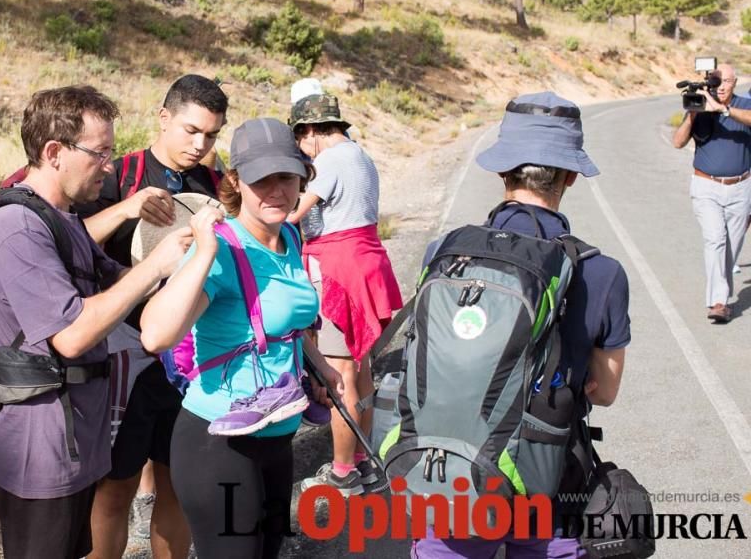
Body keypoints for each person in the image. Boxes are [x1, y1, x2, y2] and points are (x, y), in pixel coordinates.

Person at [0, 85, 192, 559]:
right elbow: (72, 334)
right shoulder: (17, 226)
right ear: (54, 152)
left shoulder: (63, 218)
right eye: (100, 154)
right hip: (40, 449)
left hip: (74, 441)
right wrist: (156, 267)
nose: (110, 167)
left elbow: (115, 281)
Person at [413, 92, 630, 557]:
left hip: (452, 472)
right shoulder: (601, 271)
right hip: (544, 479)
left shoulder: (444, 253)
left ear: (501, 170)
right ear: (570, 176)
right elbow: (606, 392)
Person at [140, 117, 344, 559]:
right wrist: (205, 249)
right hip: (218, 442)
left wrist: (321, 365)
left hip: (276, 432)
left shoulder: (289, 233)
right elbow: (155, 335)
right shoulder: (222, 249)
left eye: (286, 177)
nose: (276, 190)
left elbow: (283, 327)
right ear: (235, 180)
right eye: (261, 179)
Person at [78, 74, 228, 559]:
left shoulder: (213, 181)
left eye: (211, 135)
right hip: (125, 361)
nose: (200, 145)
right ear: (163, 118)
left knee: (178, 483)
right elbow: (68, 242)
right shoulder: (119, 173)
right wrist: (126, 207)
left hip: (192, 362)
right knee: (115, 487)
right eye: (190, 131)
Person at [285, 89, 402, 496]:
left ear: (312, 130)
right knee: (362, 368)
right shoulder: (360, 155)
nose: (302, 148)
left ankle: (341, 471)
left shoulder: (330, 160)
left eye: (300, 138)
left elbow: (292, 214)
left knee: (340, 376)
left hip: (338, 271)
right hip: (368, 263)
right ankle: (363, 460)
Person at [673, 63, 751, 323]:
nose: (721, 87)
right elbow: (678, 141)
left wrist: (725, 111)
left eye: (726, 82)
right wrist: (693, 114)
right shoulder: (700, 105)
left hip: (741, 187)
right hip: (706, 186)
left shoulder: (743, 104)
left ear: (734, 82)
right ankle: (719, 302)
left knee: (731, 247)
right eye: (716, 82)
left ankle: (721, 292)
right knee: (715, 239)